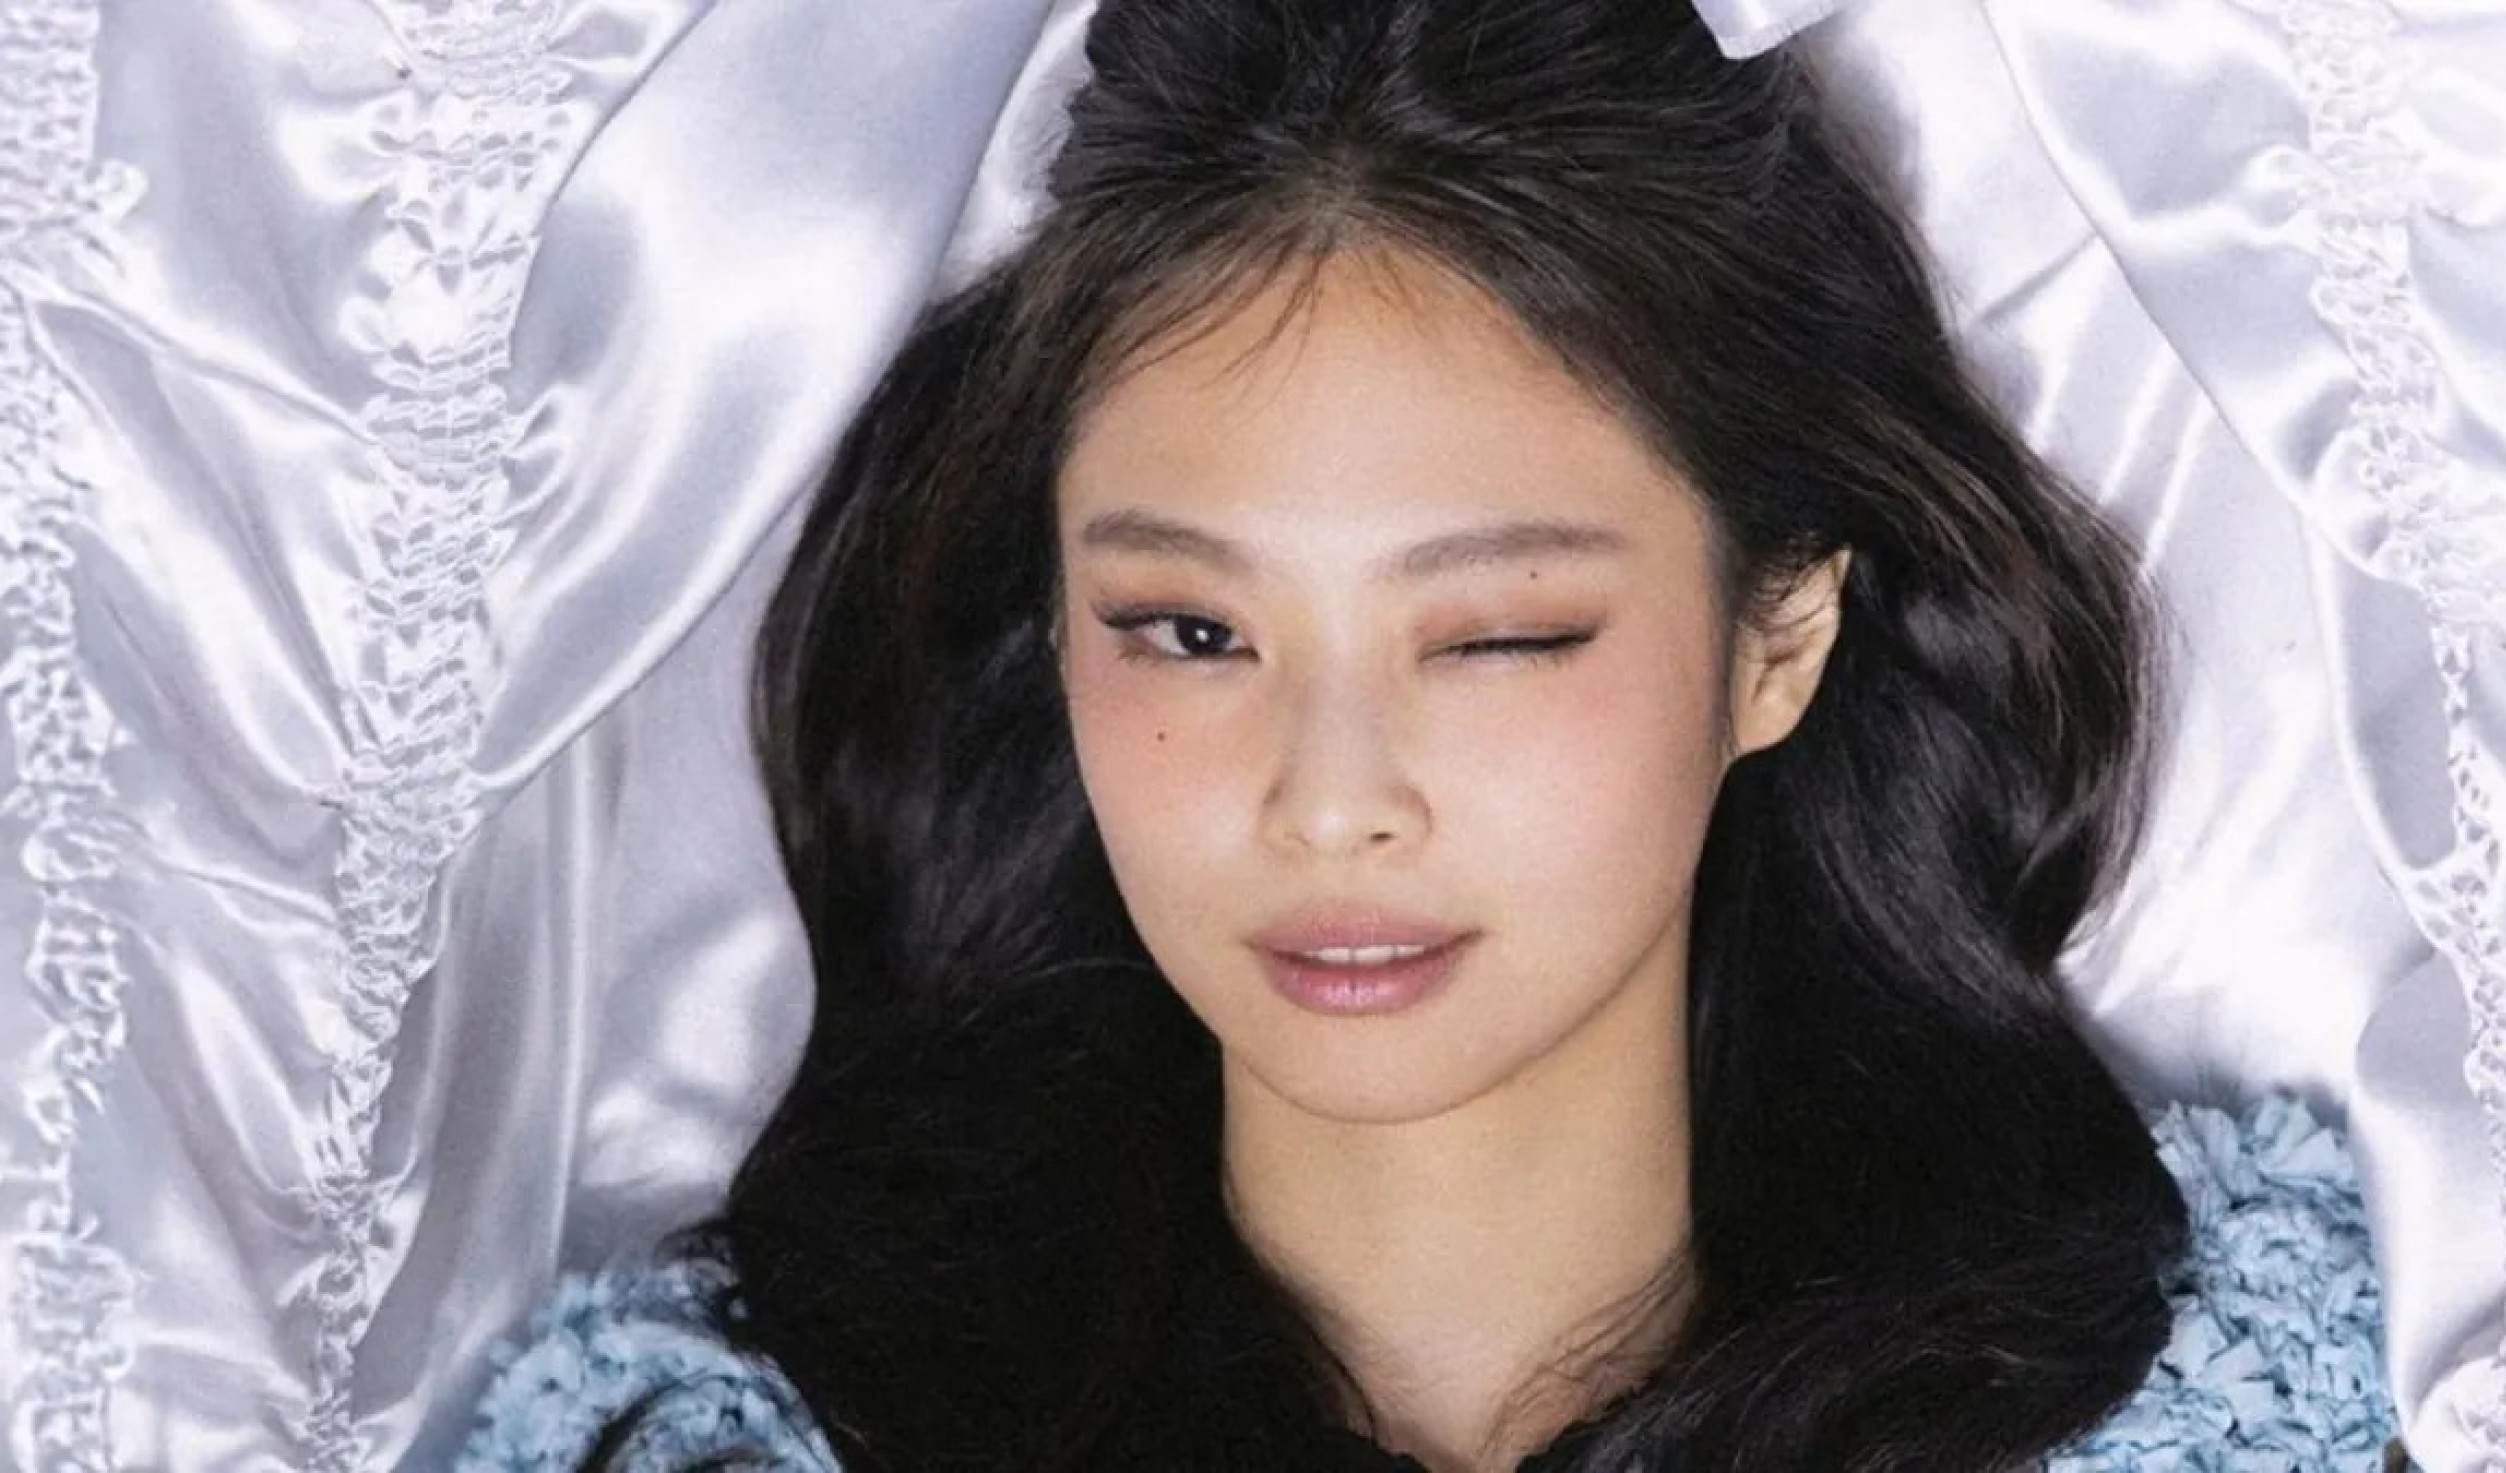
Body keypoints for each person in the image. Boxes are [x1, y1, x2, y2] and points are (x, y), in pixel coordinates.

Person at [453, 0, 2402, 1467]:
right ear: (1054, 623)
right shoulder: (707, 1435)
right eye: (1192, 630)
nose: (1329, 802)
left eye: (1491, 636)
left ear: (1780, 633)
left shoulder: (2255, 1403)